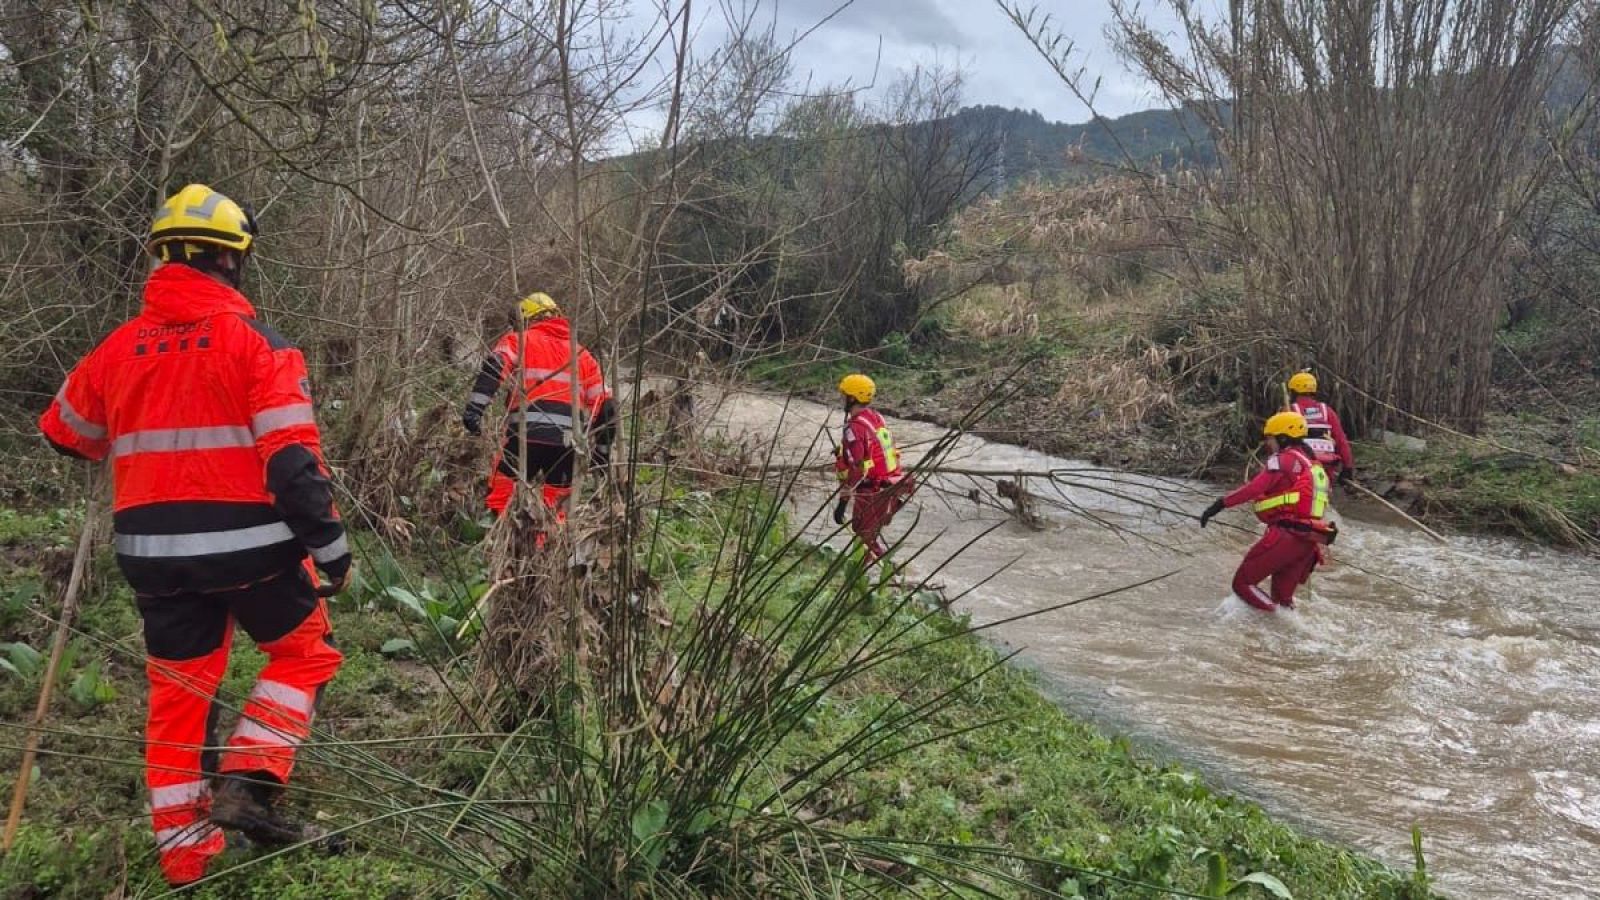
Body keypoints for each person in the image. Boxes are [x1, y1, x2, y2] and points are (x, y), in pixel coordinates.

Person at [38, 184, 351, 886]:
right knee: (306, 656)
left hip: (152, 558)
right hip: (254, 554)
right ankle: (249, 778)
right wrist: (332, 550)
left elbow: (63, 432)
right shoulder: (258, 346)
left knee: (179, 695)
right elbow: (295, 467)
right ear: (233, 262)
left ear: (161, 260)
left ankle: (185, 858)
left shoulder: (115, 350)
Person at [461, 292, 616, 520]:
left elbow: (495, 367)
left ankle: (497, 542)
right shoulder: (582, 355)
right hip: (567, 444)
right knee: (555, 511)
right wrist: (602, 454)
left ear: (527, 319)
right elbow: (607, 406)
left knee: (499, 498)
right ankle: (545, 551)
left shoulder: (519, 341)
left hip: (524, 437)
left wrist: (474, 410)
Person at [1198, 411, 1336, 611]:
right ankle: (1286, 631)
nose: (1267, 443)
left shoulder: (1283, 460)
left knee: (1242, 584)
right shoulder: (1313, 465)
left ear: (1282, 437)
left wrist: (1218, 505)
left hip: (1286, 536)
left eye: (1270, 438)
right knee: (1283, 600)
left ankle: (1276, 620)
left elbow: (1254, 489)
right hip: (1308, 541)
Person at [832, 374, 914, 561]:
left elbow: (858, 468)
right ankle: (870, 572)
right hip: (894, 484)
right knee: (866, 533)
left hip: (873, 489)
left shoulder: (853, 428)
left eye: (845, 395)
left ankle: (887, 573)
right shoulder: (876, 417)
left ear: (852, 398)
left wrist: (842, 503)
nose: (842, 399)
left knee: (863, 535)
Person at [1286, 371, 1354, 485]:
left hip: (1300, 467)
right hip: (1326, 467)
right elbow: (1341, 440)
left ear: (1293, 391)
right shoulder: (1327, 411)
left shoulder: (1289, 411)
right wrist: (1348, 467)